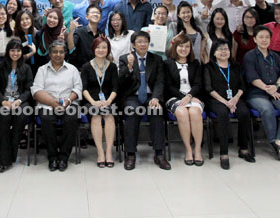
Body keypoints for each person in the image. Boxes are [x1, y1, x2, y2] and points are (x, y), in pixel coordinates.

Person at [119, 31, 169, 170]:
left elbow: (160, 81)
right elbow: (121, 83)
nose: (142, 44)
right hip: (132, 97)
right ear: (134, 45)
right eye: (139, 42)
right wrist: (129, 67)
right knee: (132, 112)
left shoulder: (157, 59)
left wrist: (156, 97)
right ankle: (130, 154)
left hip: (150, 96)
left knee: (156, 111)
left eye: (145, 41)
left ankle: (159, 154)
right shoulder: (125, 58)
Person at [244, 26, 280, 162]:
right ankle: (273, 141)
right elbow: (251, 77)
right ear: (255, 39)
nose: (264, 40)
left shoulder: (276, 56)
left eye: (267, 37)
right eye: (261, 37)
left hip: (276, 91)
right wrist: (268, 89)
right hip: (256, 93)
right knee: (267, 109)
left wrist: (276, 86)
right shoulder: (249, 56)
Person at [31, 40, 82, 172]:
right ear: (50, 54)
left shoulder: (72, 69)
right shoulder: (42, 70)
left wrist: (67, 102)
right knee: (47, 120)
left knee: (71, 119)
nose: (58, 54)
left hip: (69, 103)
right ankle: (52, 157)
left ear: (65, 53)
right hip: (47, 104)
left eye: (61, 52)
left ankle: (64, 157)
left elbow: (77, 89)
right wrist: (53, 103)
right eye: (55, 52)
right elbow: (36, 91)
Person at [205, 39, 254, 170]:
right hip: (216, 100)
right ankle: (224, 153)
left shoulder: (236, 66)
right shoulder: (209, 67)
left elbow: (242, 86)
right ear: (213, 52)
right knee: (222, 114)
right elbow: (209, 88)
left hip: (235, 99)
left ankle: (243, 148)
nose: (223, 52)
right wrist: (225, 102)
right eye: (220, 49)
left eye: (226, 49)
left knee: (244, 113)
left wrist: (235, 99)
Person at [0, 39, 33, 172]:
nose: (15, 53)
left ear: (22, 52)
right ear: (8, 51)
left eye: (18, 50)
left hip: (20, 102)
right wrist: (3, 101)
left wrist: (19, 101)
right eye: (13, 50)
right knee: (3, 119)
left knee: (20, 118)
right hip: (4, 101)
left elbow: (29, 89)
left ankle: (6, 158)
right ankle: (5, 160)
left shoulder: (26, 68)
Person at [163, 35, 204, 167]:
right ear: (175, 47)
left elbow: (198, 84)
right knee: (182, 113)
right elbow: (168, 86)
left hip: (193, 96)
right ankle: (188, 149)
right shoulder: (168, 63)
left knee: (194, 112)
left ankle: (197, 150)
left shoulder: (195, 63)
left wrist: (190, 96)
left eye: (187, 46)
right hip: (175, 97)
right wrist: (183, 97)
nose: (184, 49)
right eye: (181, 46)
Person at [80, 36, 118, 168]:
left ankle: (109, 152)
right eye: (98, 47)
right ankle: (100, 152)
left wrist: (108, 100)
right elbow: (83, 89)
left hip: (108, 101)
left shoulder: (112, 67)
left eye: (104, 47)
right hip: (91, 101)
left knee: (109, 117)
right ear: (93, 49)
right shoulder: (86, 66)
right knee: (96, 116)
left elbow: (115, 88)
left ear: (108, 50)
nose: (101, 50)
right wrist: (93, 102)